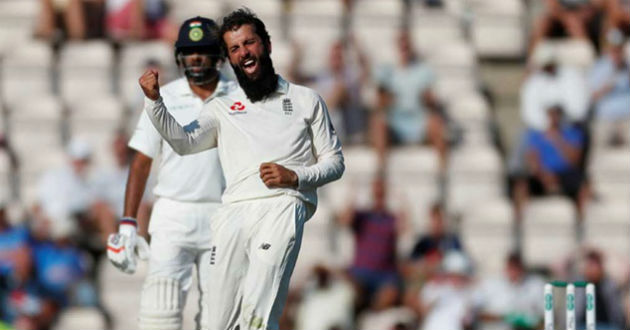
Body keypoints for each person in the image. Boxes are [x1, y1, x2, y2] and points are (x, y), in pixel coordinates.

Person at [139, 8, 345, 330]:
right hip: (232, 212)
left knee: (257, 313)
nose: (244, 52)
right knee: (216, 322)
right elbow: (184, 142)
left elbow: (334, 162)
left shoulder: (306, 100)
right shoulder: (222, 107)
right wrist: (155, 102)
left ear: (267, 45)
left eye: (249, 43)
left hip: (282, 205)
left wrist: (295, 177)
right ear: (230, 59)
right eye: (235, 49)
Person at [106, 16, 234, 330]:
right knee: (159, 313)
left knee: (221, 316)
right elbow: (141, 162)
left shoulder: (240, 96)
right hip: (173, 215)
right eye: (190, 51)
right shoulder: (164, 96)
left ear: (218, 55)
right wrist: (128, 223)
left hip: (224, 215)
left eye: (203, 50)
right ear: (179, 56)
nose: (196, 58)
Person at [371, 30, 448, 170]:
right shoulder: (387, 71)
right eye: (402, 45)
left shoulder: (423, 71)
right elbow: (379, 101)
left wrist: (428, 99)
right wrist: (387, 99)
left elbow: (430, 99)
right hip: (395, 121)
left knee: (436, 123)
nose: (404, 49)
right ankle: (381, 169)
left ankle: (442, 171)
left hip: (419, 120)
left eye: (407, 45)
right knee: (378, 124)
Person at [512, 105, 589, 238]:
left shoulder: (573, 133)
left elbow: (574, 161)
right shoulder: (535, 135)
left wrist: (557, 139)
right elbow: (532, 160)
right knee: (521, 186)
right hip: (543, 175)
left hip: (565, 173)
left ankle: (581, 225)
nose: (553, 118)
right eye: (550, 115)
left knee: (584, 186)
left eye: (556, 114)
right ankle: (519, 227)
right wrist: (544, 176)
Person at [337, 176, 402, 306]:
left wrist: (399, 198)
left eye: (381, 193)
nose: (378, 196)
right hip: (361, 273)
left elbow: (405, 229)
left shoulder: (391, 218)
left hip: (385, 274)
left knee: (390, 293)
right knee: (352, 292)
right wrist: (352, 196)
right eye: (376, 193)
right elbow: (344, 220)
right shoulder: (363, 216)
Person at [475, 252, 545, 330]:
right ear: (506, 267)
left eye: (517, 268)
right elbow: (476, 312)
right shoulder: (490, 284)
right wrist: (503, 318)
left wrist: (529, 320)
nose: (514, 272)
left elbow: (545, 314)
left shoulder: (535, 284)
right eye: (511, 268)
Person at [575, 249, 626, 329]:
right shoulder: (577, 285)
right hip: (582, 326)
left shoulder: (610, 285)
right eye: (591, 265)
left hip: (607, 326)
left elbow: (617, 312)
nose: (594, 270)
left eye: (596, 266)